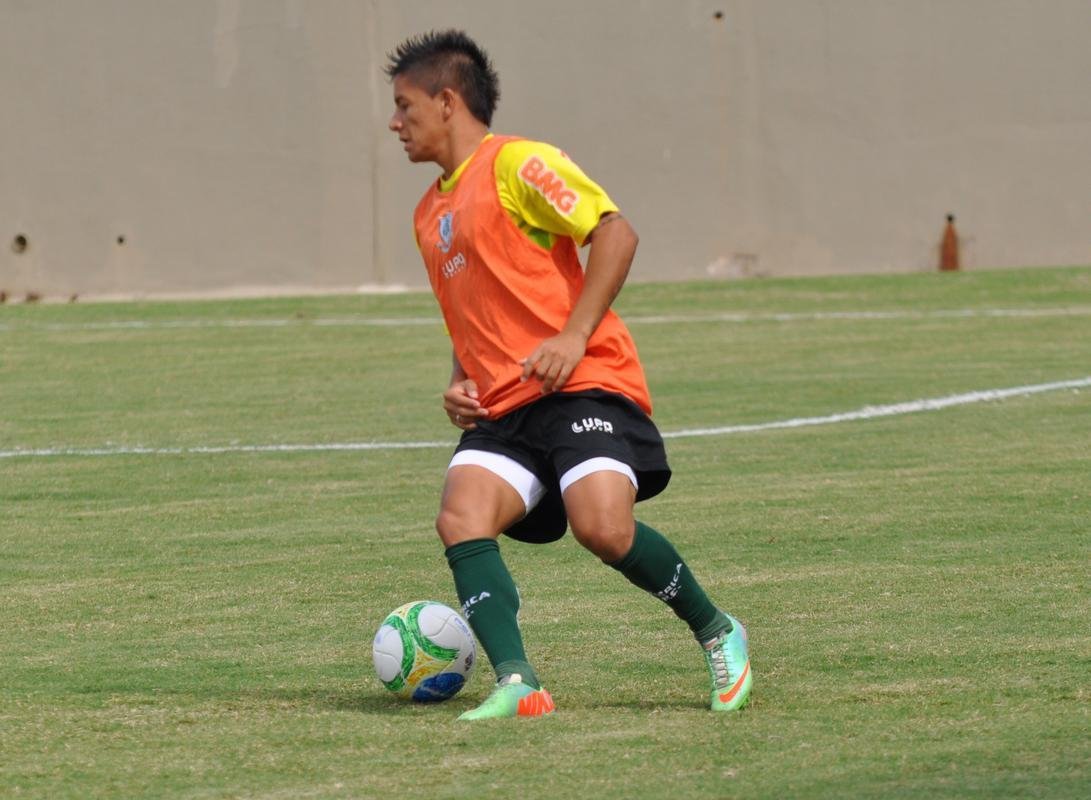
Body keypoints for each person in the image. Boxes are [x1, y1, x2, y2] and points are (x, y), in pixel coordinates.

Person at [385, 29, 751, 720]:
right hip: (504, 407)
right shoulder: (427, 212)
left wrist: (571, 335)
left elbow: (614, 231)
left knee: (603, 530)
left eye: (404, 106)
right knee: (459, 515)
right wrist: (459, 380)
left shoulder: (519, 164)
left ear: (445, 101)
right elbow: (472, 313)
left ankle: (717, 630)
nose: (394, 122)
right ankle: (518, 683)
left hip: (583, 382)